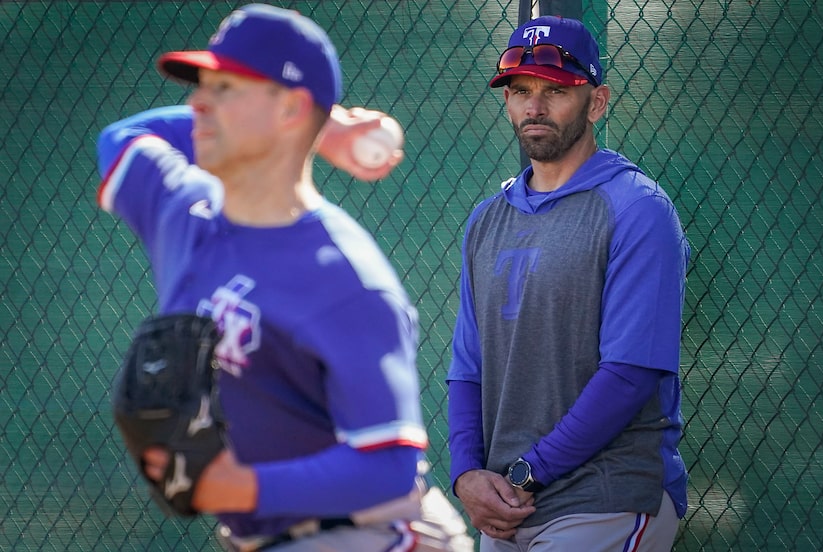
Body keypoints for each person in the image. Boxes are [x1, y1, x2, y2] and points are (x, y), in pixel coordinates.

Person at [96, 4, 473, 551]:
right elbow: (123, 136)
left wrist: (238, 486)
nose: (198, 102)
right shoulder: (180, 209)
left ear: (291, 107)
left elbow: (388, 463)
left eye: (225, 88)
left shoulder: (346, 279)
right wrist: (328, 129)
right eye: (202, 84)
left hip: (374, 534)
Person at [446, 15, 690, 552]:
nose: (534, 107)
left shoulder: (637, 209)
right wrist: (466, 474)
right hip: (507, 506)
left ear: (596, 102)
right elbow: (468, 368)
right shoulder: (487, 218)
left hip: (604, 497)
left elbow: (629, 376)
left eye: (556, 91)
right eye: (521, 90)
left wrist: (526, 473)